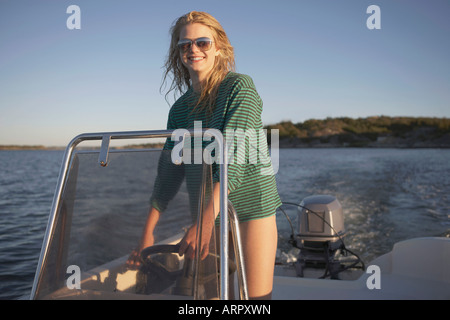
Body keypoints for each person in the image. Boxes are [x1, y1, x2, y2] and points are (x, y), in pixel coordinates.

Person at [127, 11, 281, 300]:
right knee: (210, 299)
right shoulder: (179, 110)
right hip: (208, 213)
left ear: (219, 48)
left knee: (253, 301)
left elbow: (232, 161)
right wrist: (146, 233)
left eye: (202, 42)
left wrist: (204, 222)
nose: (193, 49)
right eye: (185, 45)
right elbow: (169, 173)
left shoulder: (239, 88)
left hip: (250, 210)